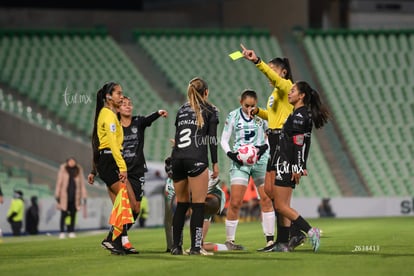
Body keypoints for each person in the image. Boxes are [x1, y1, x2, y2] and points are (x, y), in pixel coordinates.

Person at [241, 45, 306, 251]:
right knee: (269, 191)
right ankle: (293, 233)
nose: (270, 73)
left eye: (272, 69)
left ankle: (286, 238)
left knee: (277, 195)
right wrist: (258, 111)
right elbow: (273, 117)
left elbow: (275, 79)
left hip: (283, 141)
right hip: (274, 141)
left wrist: (257, 61)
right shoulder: (275, 95)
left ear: (283, 71)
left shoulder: (286, 86)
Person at [270, 81, 329, 252]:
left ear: (301, 96)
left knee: (281, 206)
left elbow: (299, 143)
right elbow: (305, 143)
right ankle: (285, 242)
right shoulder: (302, 114)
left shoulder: (299, 116)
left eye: (293, 91)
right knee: (283, 205)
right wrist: (300, 165)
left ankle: (311, 231)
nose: (289, 93)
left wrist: (296, 167)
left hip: (286, 163)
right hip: (288, 162)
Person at [88, 81, 140, 255]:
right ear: (108, 97)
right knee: (127, 203)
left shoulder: (108, 114)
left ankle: (115, 241)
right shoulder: (108, 116)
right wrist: (122, 167)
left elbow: (98, 143)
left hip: (108, 160)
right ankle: (111, 239)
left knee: (127, 204)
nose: (121, 96)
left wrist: (94, 169)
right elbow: (110, 143)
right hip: (110, 161)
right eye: (118, 93)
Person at [170, 77, 219, 255]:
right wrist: (215, 163)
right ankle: (196, 247)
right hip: (196, 159)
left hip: (177, 159)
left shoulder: (181, 109)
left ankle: (176, 247)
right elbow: (212, 140)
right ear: (206, 92)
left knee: (181, 204)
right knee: (198, 205)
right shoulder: (211, 110)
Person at [221, 89, 274, 251]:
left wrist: (264, 148)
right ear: (240, 102)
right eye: (246, 105)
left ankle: (270, 241)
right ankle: (230, 241)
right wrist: (232, 155)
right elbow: (223, 139)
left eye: (253, 105)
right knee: (236, 201)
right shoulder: (233, 116)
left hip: (260, 161)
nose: (250, 109)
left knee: (266, 199)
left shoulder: (261, 116)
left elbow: (270, 135)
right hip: (240, 162)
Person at [117, 96, 167, 231]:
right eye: (124, 104)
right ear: (118, 108)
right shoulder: (114, 126)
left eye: (129, 104)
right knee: (127, 206)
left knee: (136, 209)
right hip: (122, 172)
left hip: (138, 170)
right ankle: (118, 238)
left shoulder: (137, 122)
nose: (127, 106)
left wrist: (158, 113)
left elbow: (147, 119)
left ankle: (120, 234)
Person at [164, 156, 227, 255]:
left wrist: (194, 197)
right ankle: (177, 245)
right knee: (177, 209)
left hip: (211, 196)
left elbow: (214, 181)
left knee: (202, 205)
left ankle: (198, 244)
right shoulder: (170, 186)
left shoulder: (198, 172)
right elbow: (174, 206)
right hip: (189, 200)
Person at [55, 157, 87, 239]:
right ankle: (62, 231)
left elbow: (82, 184)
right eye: (70, 161)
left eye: (73, 161)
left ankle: (71, 231)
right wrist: (57, 194)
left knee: (73, 214)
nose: (72, 163)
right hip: (64, 195)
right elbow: (59, 182)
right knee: (63, 214)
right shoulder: (63, 169)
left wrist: (84, 195)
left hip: (75, 196)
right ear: (67, 162)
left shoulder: (78, 170)